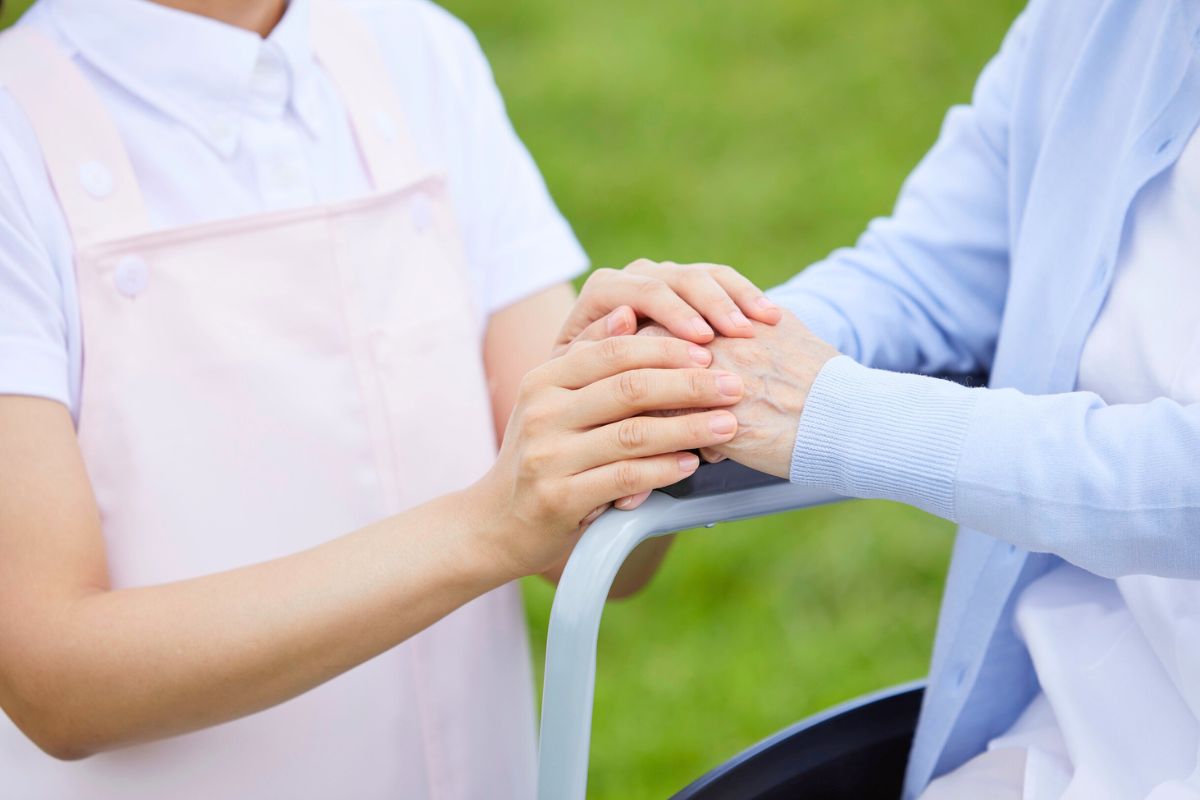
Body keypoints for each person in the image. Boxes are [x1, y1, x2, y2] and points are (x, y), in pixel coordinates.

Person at [0, 0, 786, 797]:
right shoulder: (16, 136)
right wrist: (487, 527)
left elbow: (600, 558)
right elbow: (54, 680)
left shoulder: (415, 51)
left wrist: (639, 400)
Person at [636, 0, 1200, 797]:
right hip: (1078, 715)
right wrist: (697, 350)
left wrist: (831, 413)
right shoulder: (1098, 19)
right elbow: (931, 271)